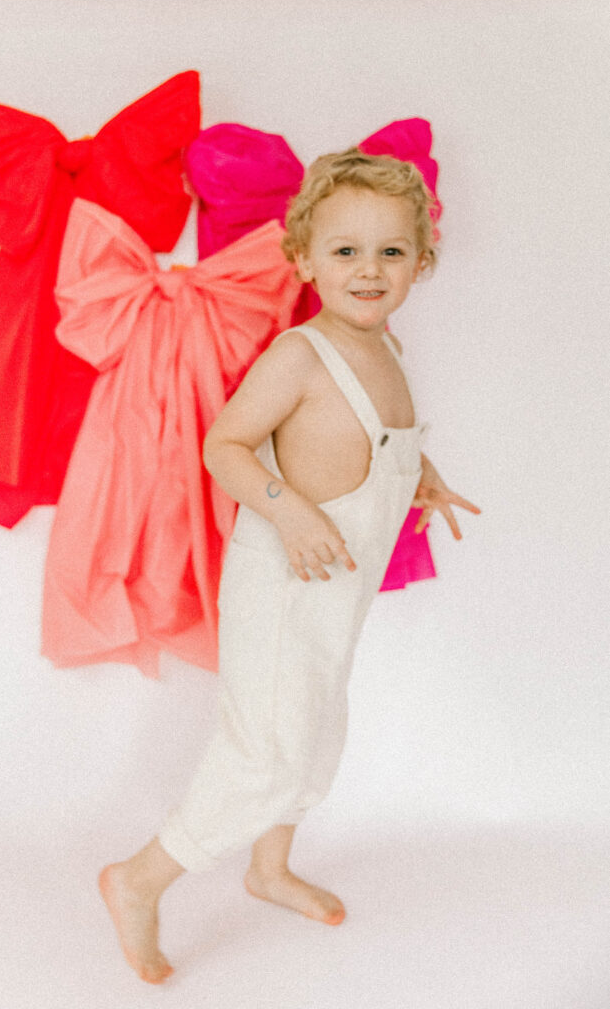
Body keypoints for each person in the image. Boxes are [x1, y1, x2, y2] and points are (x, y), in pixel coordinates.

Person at [97, 147, 481, 983]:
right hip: (282, 590)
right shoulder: (299, 357)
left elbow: (383, 444)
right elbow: (224, 446)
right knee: (266, 749)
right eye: (344, 251)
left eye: (389, 251)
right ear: (303, 259)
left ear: (422, 259)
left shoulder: (390, 352)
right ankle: (137, 878)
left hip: (335, 599)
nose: (368, 270)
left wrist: (424, 478)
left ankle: (267, 868)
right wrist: (289, 507)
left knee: (314, 734)